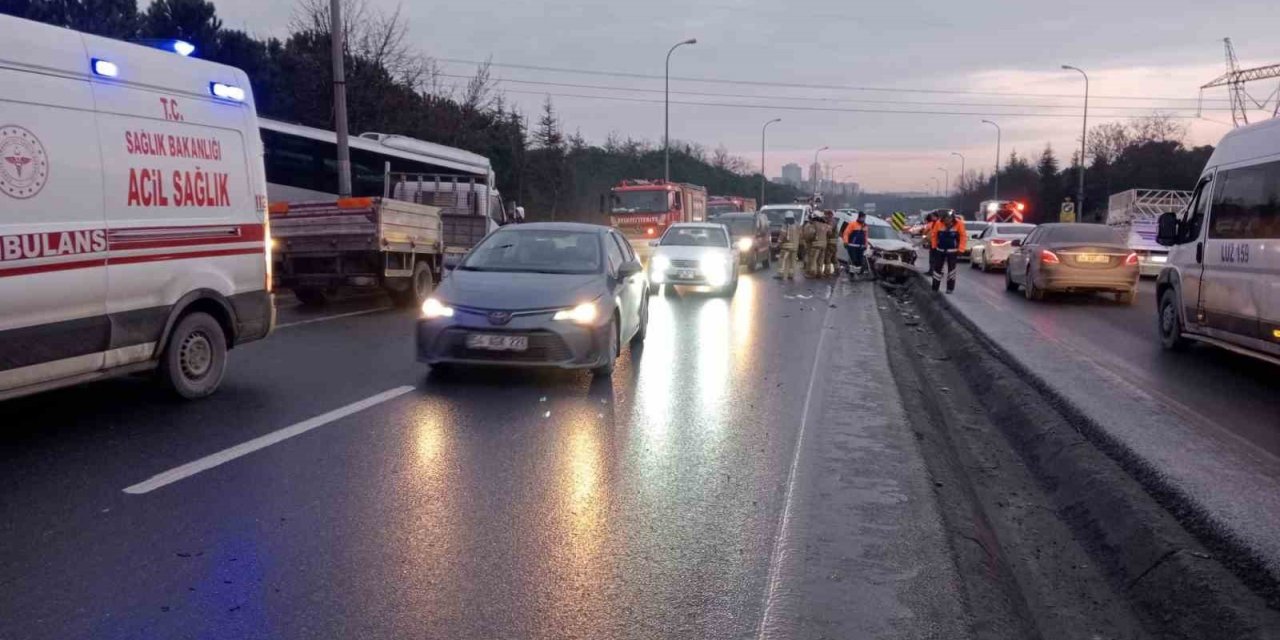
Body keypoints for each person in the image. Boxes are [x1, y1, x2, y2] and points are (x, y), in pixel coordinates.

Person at [929, 210, 967, 293]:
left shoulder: (959, 224)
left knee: (951, 270)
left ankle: (950, 288)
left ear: (952, 219)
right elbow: (934, 235)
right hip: (940, 250)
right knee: (937, 269)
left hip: (952, 251)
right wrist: (934, 246)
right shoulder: (939, 223)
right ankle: (935, 287)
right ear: (943, 219)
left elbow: (963, 237)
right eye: (946, 219)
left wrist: (961, 249)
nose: (947, 221)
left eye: (949, 219)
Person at [773, 212, 801, 279]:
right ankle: (791, 274)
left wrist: (778, 244)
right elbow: (800, 234)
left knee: (782, 259)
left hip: (786, 247)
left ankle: (780, 273)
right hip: (795, 247)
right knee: (792, 260)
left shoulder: (785, 225)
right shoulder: (797, 225)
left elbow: (782, 235)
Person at [842, 211, 869, 279]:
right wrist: (846, 242)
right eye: (862, 217)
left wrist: (866, 244)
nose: (863, 219)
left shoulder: (865, 226)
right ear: (859, 217)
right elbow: (846, 233)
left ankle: (857, 273)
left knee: (859, 261)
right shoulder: (852, 224)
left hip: (861, 246)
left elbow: (865, 236)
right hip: (852, 245)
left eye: (864, 217)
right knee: (853, 260)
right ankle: (852, 274)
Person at [806, 213, 830, 278]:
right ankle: (820, 273)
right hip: (824, 244)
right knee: (821, 260)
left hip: (816, 244)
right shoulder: (825, 225)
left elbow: (811, 233)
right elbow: (829, 232)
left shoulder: (814, 224)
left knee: (813, 259)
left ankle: (812, 273)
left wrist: (809, 239)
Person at [823, 210, 840, 276]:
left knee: (828, 257)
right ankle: (837, 269)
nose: (825, 216)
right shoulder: (832, 221)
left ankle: (827, 272)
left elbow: (829, 231)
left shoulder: (831, 221)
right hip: (833, 243)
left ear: (829, 214)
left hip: (831, 243)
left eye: (825, 214)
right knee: (834, 257)